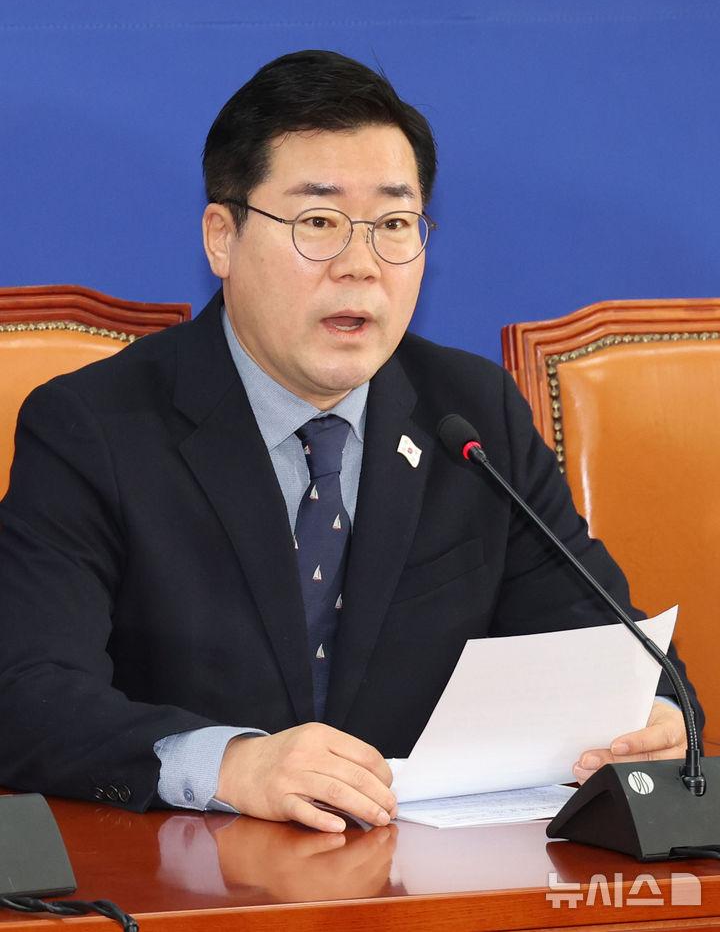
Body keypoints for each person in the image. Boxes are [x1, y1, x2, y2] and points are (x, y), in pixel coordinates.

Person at [0, 50, 699, 834]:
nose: (361, 266)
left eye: (394, 225)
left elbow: (611, 642)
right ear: (222, 238)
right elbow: (26, 692)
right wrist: (229, 763)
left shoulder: (472, 418)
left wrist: (656, 716)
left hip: (428, 877)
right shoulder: (94, 428)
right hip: (191, 870)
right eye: (319, 223)